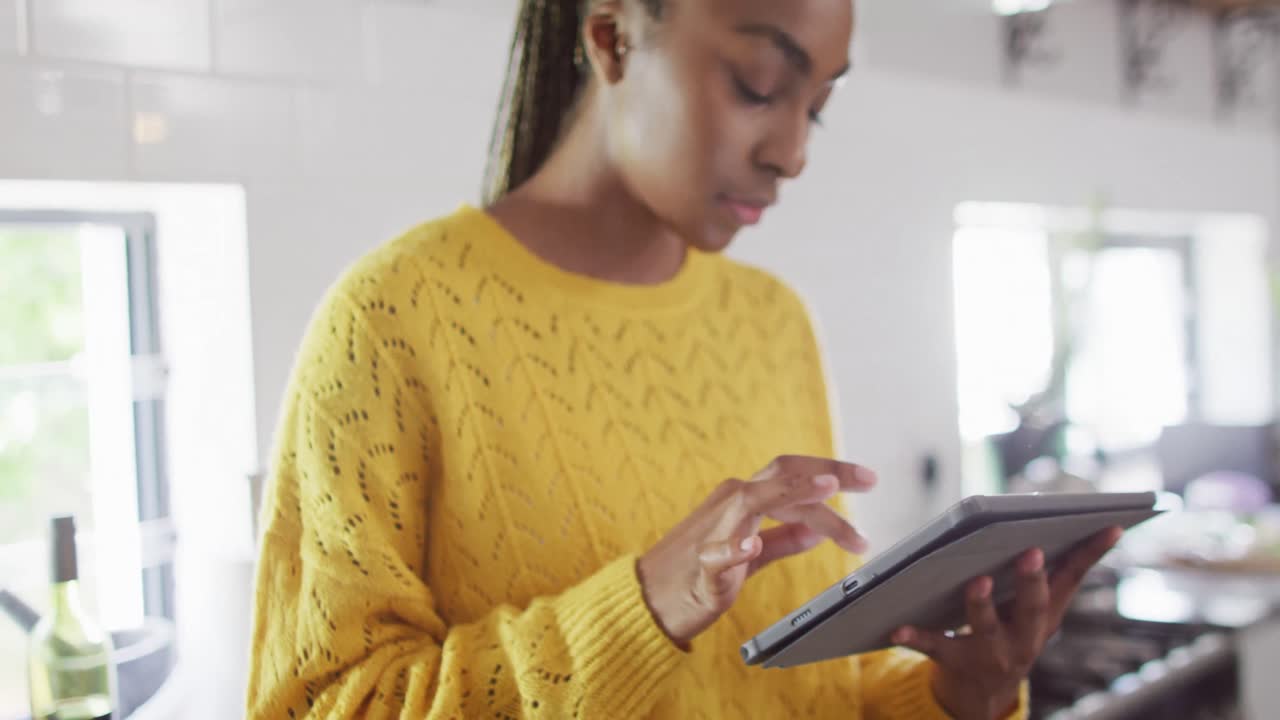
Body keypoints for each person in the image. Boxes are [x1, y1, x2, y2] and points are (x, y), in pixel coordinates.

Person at [245, 0, 1121, 717]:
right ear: (613, 34)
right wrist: (644, 607)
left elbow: (811, 696)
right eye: (759, 85)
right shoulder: (395, 317)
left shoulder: (772, 322)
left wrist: (955, 694)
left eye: (814, 105)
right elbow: (324, 705)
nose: (793, 152)